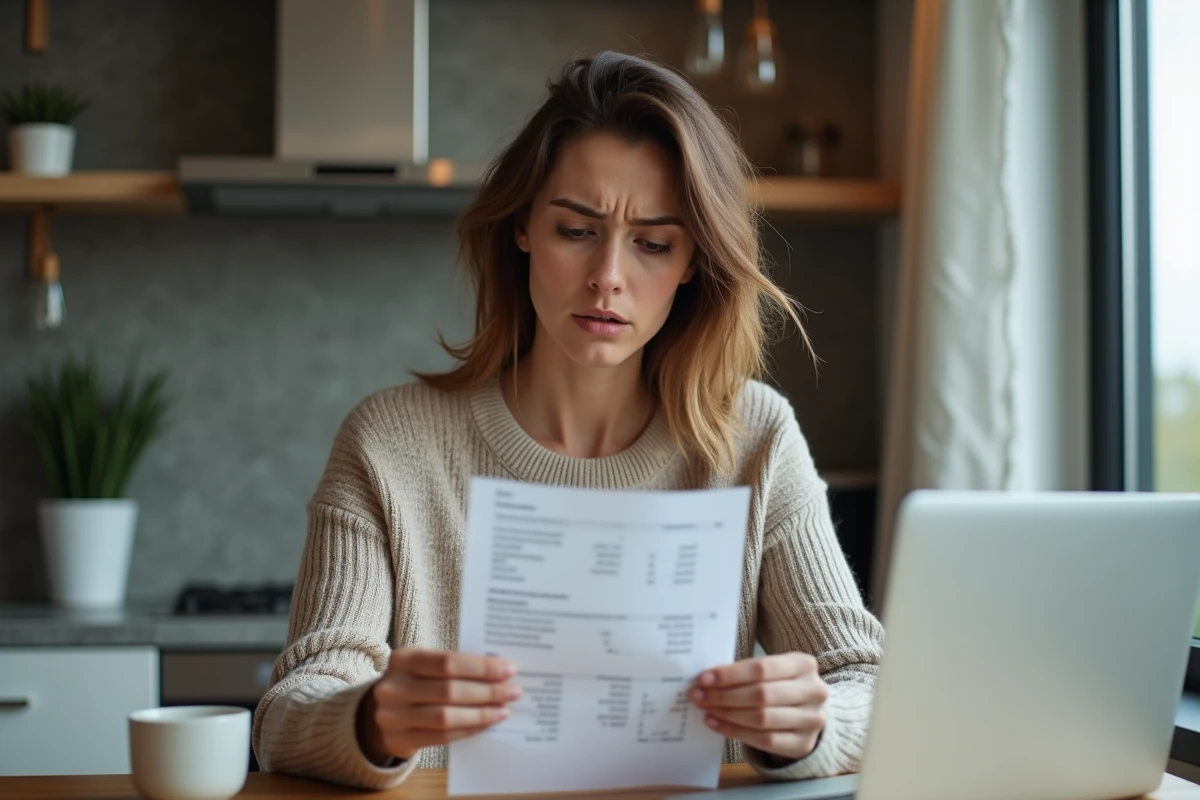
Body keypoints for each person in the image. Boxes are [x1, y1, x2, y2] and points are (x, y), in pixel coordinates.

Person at [252, 51, 884, 790]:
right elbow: (287, 713)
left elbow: (866, 686)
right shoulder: (389, 442)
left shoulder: (755, 436)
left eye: (653, 243)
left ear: (692, 264)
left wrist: (809, 724)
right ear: (522, 227)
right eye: (576, 229)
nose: (608, 276)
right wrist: (369, 719)